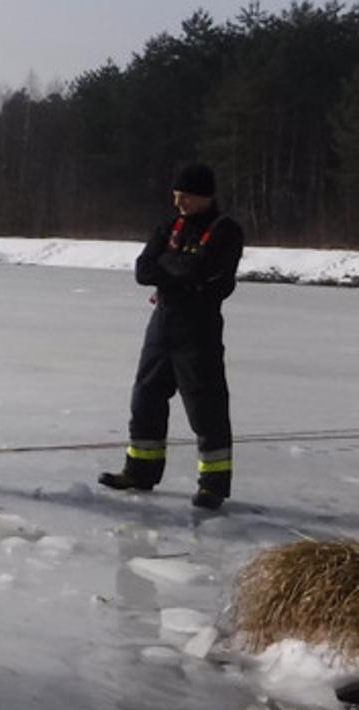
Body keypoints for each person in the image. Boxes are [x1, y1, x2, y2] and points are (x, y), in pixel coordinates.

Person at [99, 163, 242, 510]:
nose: (179, 203)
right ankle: (140, 470)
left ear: (205, 196)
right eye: (176, 197)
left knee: (205, 405)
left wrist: (169, 267)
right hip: (162, 323)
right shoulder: (169, 226)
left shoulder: (225, 230)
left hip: (199, 327)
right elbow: (143, 269)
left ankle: (213, 485)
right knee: (146, 396)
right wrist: (175, 270)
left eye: (186, 197)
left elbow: (204, 270)